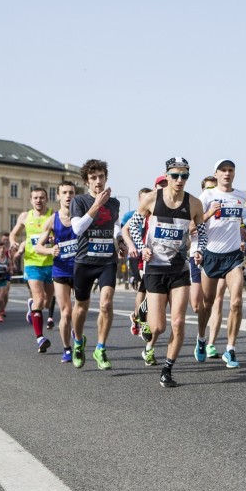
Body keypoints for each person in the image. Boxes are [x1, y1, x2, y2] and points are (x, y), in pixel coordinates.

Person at [127, 157, 206, 387]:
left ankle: (167, 369)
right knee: (158, 326)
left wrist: (199, 250)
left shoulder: (194, 204)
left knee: (179, 322)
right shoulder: (152, 199)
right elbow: (133, 225)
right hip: (155, 268)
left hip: (179, 268)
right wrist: (142, 248)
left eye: (184, 176)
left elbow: (202, 232)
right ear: (167, 175)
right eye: (175, 175)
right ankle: (143, 312)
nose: (180, 180)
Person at [70, 159, 124, 369]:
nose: (98, 181)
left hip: (107, 261)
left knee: (106, 304)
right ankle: (78, 341)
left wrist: (119, 240)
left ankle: (100, 348)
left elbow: (116, 225)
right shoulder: (80, 201)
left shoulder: (114, 203)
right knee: (81, 309)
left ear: (106, 178)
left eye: (101, 176)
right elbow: (77, 229)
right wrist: (96, 205)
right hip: (84, 261)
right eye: (93, 178)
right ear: (87, 181)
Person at [194, 159, 246, 368]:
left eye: (230, 170)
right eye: (223, 170)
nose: (227, 173)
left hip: (233, 256)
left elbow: (237, 219)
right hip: (212, 254)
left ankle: (230, 349)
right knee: (206, 304)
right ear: (215, 174)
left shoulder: (241, 196)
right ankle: (201, 339)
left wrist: (242, 228)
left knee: (236, 302)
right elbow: (193, 224)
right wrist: (208, 213)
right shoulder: (207, 196)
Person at [34, 181, 78, 362]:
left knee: (79, 310)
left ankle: (78, 335)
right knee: (66, 312)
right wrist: (50, 251)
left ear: (75, 195)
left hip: (79, 269)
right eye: (65, 193)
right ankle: (67, 349)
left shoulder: (81, 216)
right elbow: (38, 247)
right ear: (58, 196)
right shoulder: (52, 220)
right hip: (60, 270)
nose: (68, 196)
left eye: (71, 193)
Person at [9, 186, 55, 352]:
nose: (39, 200)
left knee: (47, 301)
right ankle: (40, 338)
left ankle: (32, 307)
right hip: (32, 262)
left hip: (50, 262)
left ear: (46, 199)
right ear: (31, 200)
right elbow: (13, 234)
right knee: (40, 298)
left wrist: (53, 239)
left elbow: (61, 234)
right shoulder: (24, 216)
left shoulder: (53, 215)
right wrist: (13, 242)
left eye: (42, 197)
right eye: (35, 198)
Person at [121, 187, 153, 338]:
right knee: (143, 286)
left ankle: (136, 316)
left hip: (151, 255)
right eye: (143, 198)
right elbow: (123, 232)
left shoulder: (154, 214)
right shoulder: (131, 215)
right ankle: (141, 319)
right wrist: (130, 246)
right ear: (139, 199)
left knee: (147, 289)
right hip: (136, 256)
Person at [189, 175, 217, 314]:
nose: (212, 191)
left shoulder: (221, 203)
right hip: (197, 252)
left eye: (214, 187)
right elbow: (189, 227)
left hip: (215, 254)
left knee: (212, 299)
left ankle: (205, 334)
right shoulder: (197, 205)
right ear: (203, 190)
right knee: (195, 306)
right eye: (209, 188)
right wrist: (209, 213)